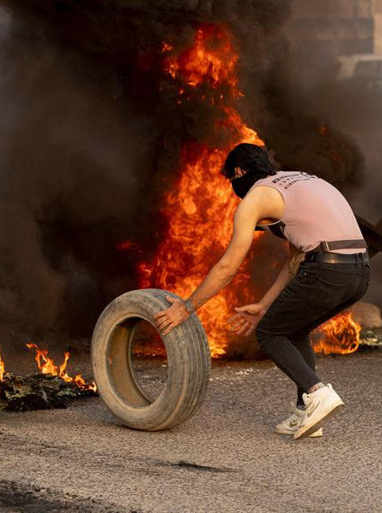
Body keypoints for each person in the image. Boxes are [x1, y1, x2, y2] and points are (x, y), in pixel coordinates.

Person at [154, 143, 370, 439]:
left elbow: (227, 267)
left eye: (231, 180)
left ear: (239, 172)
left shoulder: (256, 197)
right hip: (360, 272)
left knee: (269, 333)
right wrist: (265, 304)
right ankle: (304, 411)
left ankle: (317, 392)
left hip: (326, 269)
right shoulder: (303, 179)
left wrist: (186, 307)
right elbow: (296, 261)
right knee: (294, 330)